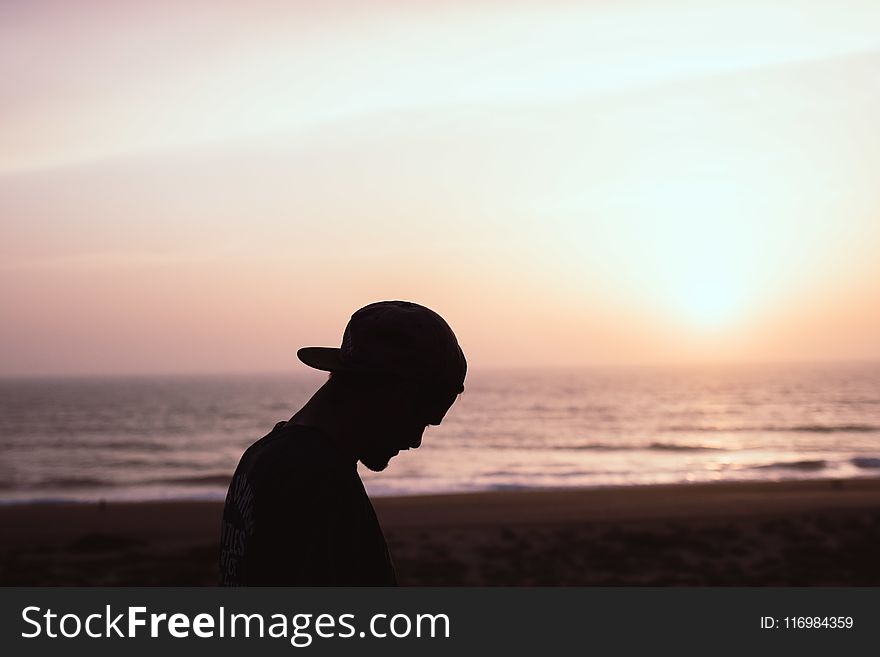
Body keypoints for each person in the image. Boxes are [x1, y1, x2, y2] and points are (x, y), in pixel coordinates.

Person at [219, 300, 466, 586]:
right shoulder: (316, 480)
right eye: (420, 420)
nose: (416, 440)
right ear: (393, 394)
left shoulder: (261, 456)